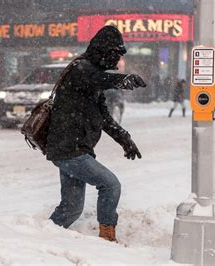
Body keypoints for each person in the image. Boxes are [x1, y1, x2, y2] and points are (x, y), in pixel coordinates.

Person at [46, 26, 146, 242]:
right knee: (110, 185)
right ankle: (107, 238)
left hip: (72, 149)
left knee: (71, 208)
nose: (117, 61)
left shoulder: (92, 79)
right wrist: (121, 78)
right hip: (69, 149)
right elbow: (99, 78)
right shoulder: (81, 70)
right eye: (115, 55)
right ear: (104, 52)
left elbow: (105, 118)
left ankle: (41, 236)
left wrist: (125, 139)